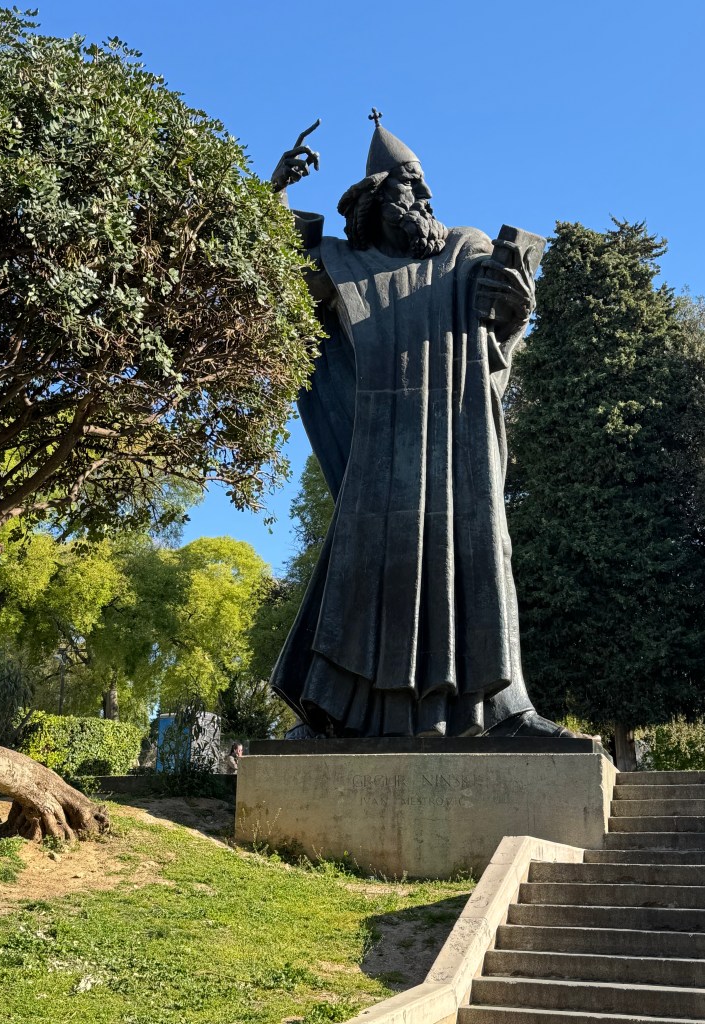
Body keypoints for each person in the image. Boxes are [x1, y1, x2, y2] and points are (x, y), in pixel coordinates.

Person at [270, 115, 575, 741]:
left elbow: (501, 325)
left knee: (482, 555)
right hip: (379, 450)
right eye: (410, 184)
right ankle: (338, 713)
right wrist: (273, 195)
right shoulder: (341, 264)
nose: (426, 195)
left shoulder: (465, 248)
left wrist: (516, 311)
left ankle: (505, 709)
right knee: (366, 566)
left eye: (425, 183)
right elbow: (273, 283)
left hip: (462, 440)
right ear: (374, 198)